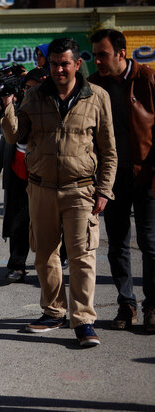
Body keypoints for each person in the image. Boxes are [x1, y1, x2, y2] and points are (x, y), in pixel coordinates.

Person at [1, 38, 117, 347]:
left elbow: (109, 149)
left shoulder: (97, 97)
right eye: (54, 64)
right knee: (44, 254)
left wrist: (104, 188)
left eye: (65, 63)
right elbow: (14, 136)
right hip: (41, 188)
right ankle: (53, 312)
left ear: (78, 64)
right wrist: (7, 105)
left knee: (82, 257)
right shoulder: (34, 95)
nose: (59, 69)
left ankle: (84, 321)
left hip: (81, 190)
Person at [88, 29, 155, 333]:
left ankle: (152, 305)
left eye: (103, 54)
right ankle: (126, 304)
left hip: (147, 177)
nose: (97, 60)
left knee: (150, 244)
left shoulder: (147, 80)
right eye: (95, 55)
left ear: (121, 53)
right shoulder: (93, 84)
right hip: (110, 180)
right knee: (117, 245)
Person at [0, 68, 46, 283]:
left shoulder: (51, 109)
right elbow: (7, 137)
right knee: (18, 223)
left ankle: (49, 266)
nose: (28, 92)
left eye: (33, 88)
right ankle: (17, 265)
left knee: (45, 225)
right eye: (26, 88)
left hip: (43, 176)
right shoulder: (19, 106)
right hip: (18, 173)